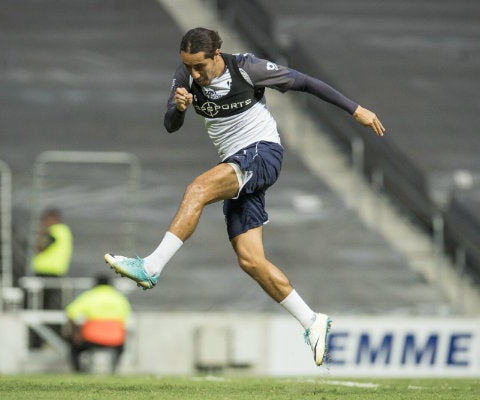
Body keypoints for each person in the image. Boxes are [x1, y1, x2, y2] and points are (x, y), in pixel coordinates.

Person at [105, 27, 386, 367]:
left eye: (200, 66)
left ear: (217, 53)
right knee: (250, 261)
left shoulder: (247, 68)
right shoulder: (185, 76)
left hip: (262, 153)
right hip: (236, 164)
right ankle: (312, 321)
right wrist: (179, 108)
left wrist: (355, 109)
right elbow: (170, 125)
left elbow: (306, 82)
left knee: (197, 189)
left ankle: (151, 266)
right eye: (188, 67)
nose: (194, 74)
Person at [65, 274, 131, 373]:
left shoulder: (89, 295)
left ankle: (78, 372)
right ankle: (114, 370)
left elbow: (70, 312)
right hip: (115, 339)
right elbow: (126, 317)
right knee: (121, 348)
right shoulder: (119, 298)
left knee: (74, 348)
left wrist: (76, 333)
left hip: (91, 338)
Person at [31, 207, 73, 309]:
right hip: (57, 272)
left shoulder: (54, 231)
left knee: (40, 305)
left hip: (46, 273)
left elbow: (41, 247)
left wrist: (41, 232)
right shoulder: (65, 231)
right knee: (51, 304)